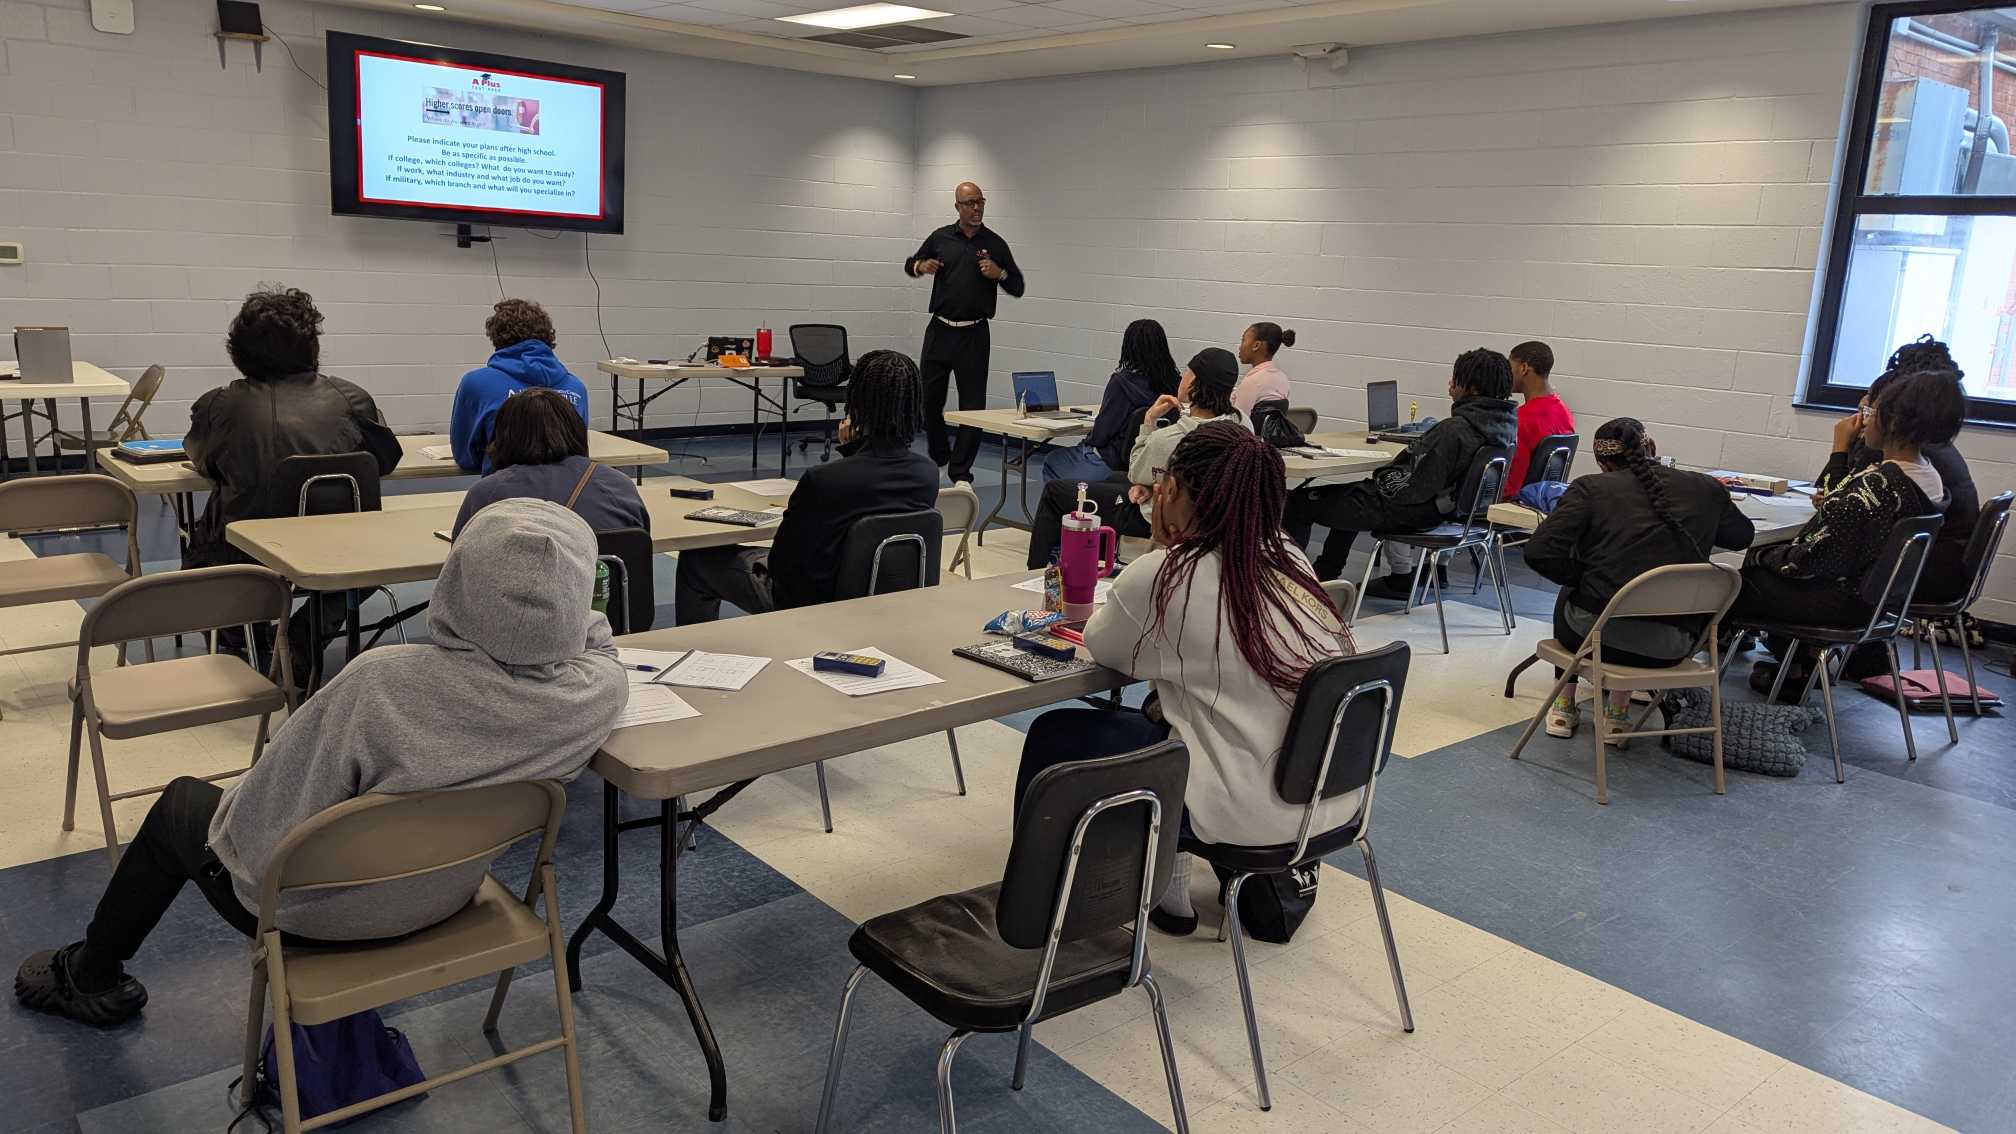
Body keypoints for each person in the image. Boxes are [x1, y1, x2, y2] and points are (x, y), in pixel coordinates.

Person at [14, 500, 627, 1027]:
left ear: (457, 578)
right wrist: (554, 616)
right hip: (451, 894)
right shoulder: (594, 694)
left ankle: (91, 973)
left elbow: (262, 842)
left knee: (181, 804)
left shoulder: (381, 685)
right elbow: (599, 645)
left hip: (319, 918)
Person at [1014, 423, 1354, 936]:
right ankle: (1167, 886)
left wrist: (1160, 549)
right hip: (1329, 796)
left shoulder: (1169, 574)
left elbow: (1107, 648)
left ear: (1170, 489)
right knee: (1173, 713)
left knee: (1058, 734)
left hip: (1246, 806)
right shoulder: (1290, 556)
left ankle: (1041, 904)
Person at [184, 286, 402, 672]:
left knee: (200, 549)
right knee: (368, 555)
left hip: (244, 557)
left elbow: (204, 462)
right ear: (311, 345)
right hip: (343, 554)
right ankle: (302, 639)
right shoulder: (352, 399)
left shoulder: (220, 405)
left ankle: (244, 642)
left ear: (239, 351)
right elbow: (383, 463)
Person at [1733, 369, 1966, 693]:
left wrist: (1764, 555)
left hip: (1842, 603)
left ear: (1893, 423)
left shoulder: (1877, 486)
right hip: (1873, 603)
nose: (1863, 420)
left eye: (1870, 412)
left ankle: (1687, 675)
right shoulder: (1927, 476)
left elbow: (1813, 561)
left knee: (1729, 581)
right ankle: (1795, 669)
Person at [1524, 418, 1754, 739]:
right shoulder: (1705, 488)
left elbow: (1539, 552)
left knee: (1576, 587)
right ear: (1652, 448)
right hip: (1673, 647)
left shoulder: (1590, 489)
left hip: (1594, 642)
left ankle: (1563, 705)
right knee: (1635, 596)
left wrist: (1585, 575)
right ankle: (1616, 714)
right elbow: (1742, 536)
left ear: (1601, 462)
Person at [675, 350, 938, 623]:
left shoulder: (824, 479)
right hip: (882, 593)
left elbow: (783, 565)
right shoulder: (927, 474)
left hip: (814, 604)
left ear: (856, 402)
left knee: (696, 562)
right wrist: (855, 451)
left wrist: (850, 451)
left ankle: (693, 641)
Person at [1284, 348, 1519, 585]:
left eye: (1456, 378)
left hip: (1410, 511)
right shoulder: (1505, 430)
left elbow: (1412, 490)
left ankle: (1290, 580)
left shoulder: (1455, 429)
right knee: (1348, 496)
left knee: (1296, 502)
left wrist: (1384, 475)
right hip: (1450, 513)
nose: (1450, 383)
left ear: (1473, 388)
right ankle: (1325, 573)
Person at [1021, 342, 1229, 569]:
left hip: (1157, 516)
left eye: (1188, 371)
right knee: (1112, 479)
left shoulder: (1171, 438)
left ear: (1194, 383)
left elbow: (1136, 472)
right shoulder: (1238, 427)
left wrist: (1149, 421)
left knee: (1055, 492)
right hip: (1206, 514)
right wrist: (1149, 485)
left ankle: (1036, 572)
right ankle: (1094, 560)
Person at [1816, 339, 1978, 603]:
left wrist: (1840, 447)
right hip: (1932, 566)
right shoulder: (1927, 451)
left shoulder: (1896, 457)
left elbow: (1832, 505)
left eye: (1871, 409)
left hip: (1901, 578)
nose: (1864, 417)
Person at [904, 182, 1025, 484]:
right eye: (970, 203)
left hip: (974, 334)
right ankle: (940, 454)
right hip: (940, 329)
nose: (977, 208)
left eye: (980, 201)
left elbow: (1017, 285)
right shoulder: (940, 238)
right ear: (957, 206)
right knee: (928, 399)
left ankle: (960, 470)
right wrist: (921, 266)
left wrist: (1000, 273)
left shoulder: (995, 244)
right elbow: (910, 264)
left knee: (973, 407)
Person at [451, 387, 648, 538]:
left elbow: (459, 561)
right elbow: (639, 549)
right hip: (602, 581)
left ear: (503, 437)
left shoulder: (485, 495)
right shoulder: (620, 486)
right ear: (576, 429)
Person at [449, 298, 591, 475]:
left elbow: (465, 457)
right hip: (569, 489)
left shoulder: (476, 384)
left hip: (504, 488)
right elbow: (580, 453)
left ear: (497, 338)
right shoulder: (576, 387)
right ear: (547, 336)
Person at [1040, 318, 1181, 484]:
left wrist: (1087, 442)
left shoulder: (1121, 383)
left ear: (1128, 347)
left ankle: (1066, 500)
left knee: (1052, 460)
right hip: (1148, 464)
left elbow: (1101, 434)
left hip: (1110, 462)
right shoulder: (1174, 383)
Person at [1504, 340, 1575, 498]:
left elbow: (1512, 487)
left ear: (1523, 368)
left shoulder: (1522, 418)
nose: (1506, 374)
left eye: (1510, 367)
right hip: (1545, 500)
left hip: (1518, 504)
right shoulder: (1564, 412)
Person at [1232, 322, 1295, 419]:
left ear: (1256, 345)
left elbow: (1238, 422)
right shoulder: (1283, 378)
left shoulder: (1252, 382)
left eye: (1243, 340)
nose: (1240, 347)